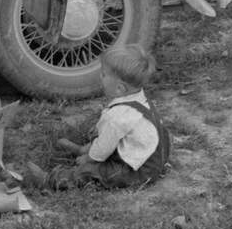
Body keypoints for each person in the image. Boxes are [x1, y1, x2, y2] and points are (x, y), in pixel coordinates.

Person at [25, 45, 171, 190]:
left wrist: (90, 159)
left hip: (136, 172)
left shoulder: (118, 116)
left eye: (104, 74)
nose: (101, 77)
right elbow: (108, 137)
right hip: (147, 158)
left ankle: (50, 180)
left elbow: (104, 147)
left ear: (120, 88)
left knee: (91, 172)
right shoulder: (139, 100)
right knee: (104, 133)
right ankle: (83, 149)